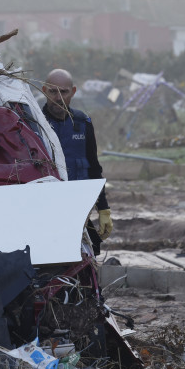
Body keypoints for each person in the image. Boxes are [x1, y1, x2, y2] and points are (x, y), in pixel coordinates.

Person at [41, 68, 113, 254]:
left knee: (91, 250)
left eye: (63, 92)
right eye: (53, 91)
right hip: (46, 211)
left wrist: (103, 209)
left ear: (72, 92)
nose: (58, 97)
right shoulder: (34, 124)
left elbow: (94, 168)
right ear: (43, 90)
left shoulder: (82, 123)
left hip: (78, 209)